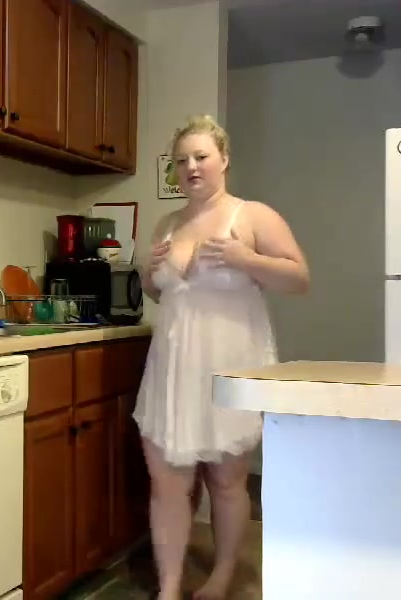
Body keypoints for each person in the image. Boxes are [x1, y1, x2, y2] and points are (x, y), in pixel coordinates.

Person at [134, 114, 309, 600]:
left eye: (201, 157)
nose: (191, 167)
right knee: (166, 483)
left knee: (227, 482)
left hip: (231, 366)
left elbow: (299, 278)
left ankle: (222, 575)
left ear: (224, 160)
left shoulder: (252, 216)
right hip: (172, 369)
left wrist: (246, 259)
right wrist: (149, 276)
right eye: (181, 160)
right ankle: (169, 588)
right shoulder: (168, 223)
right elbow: (165, 295)